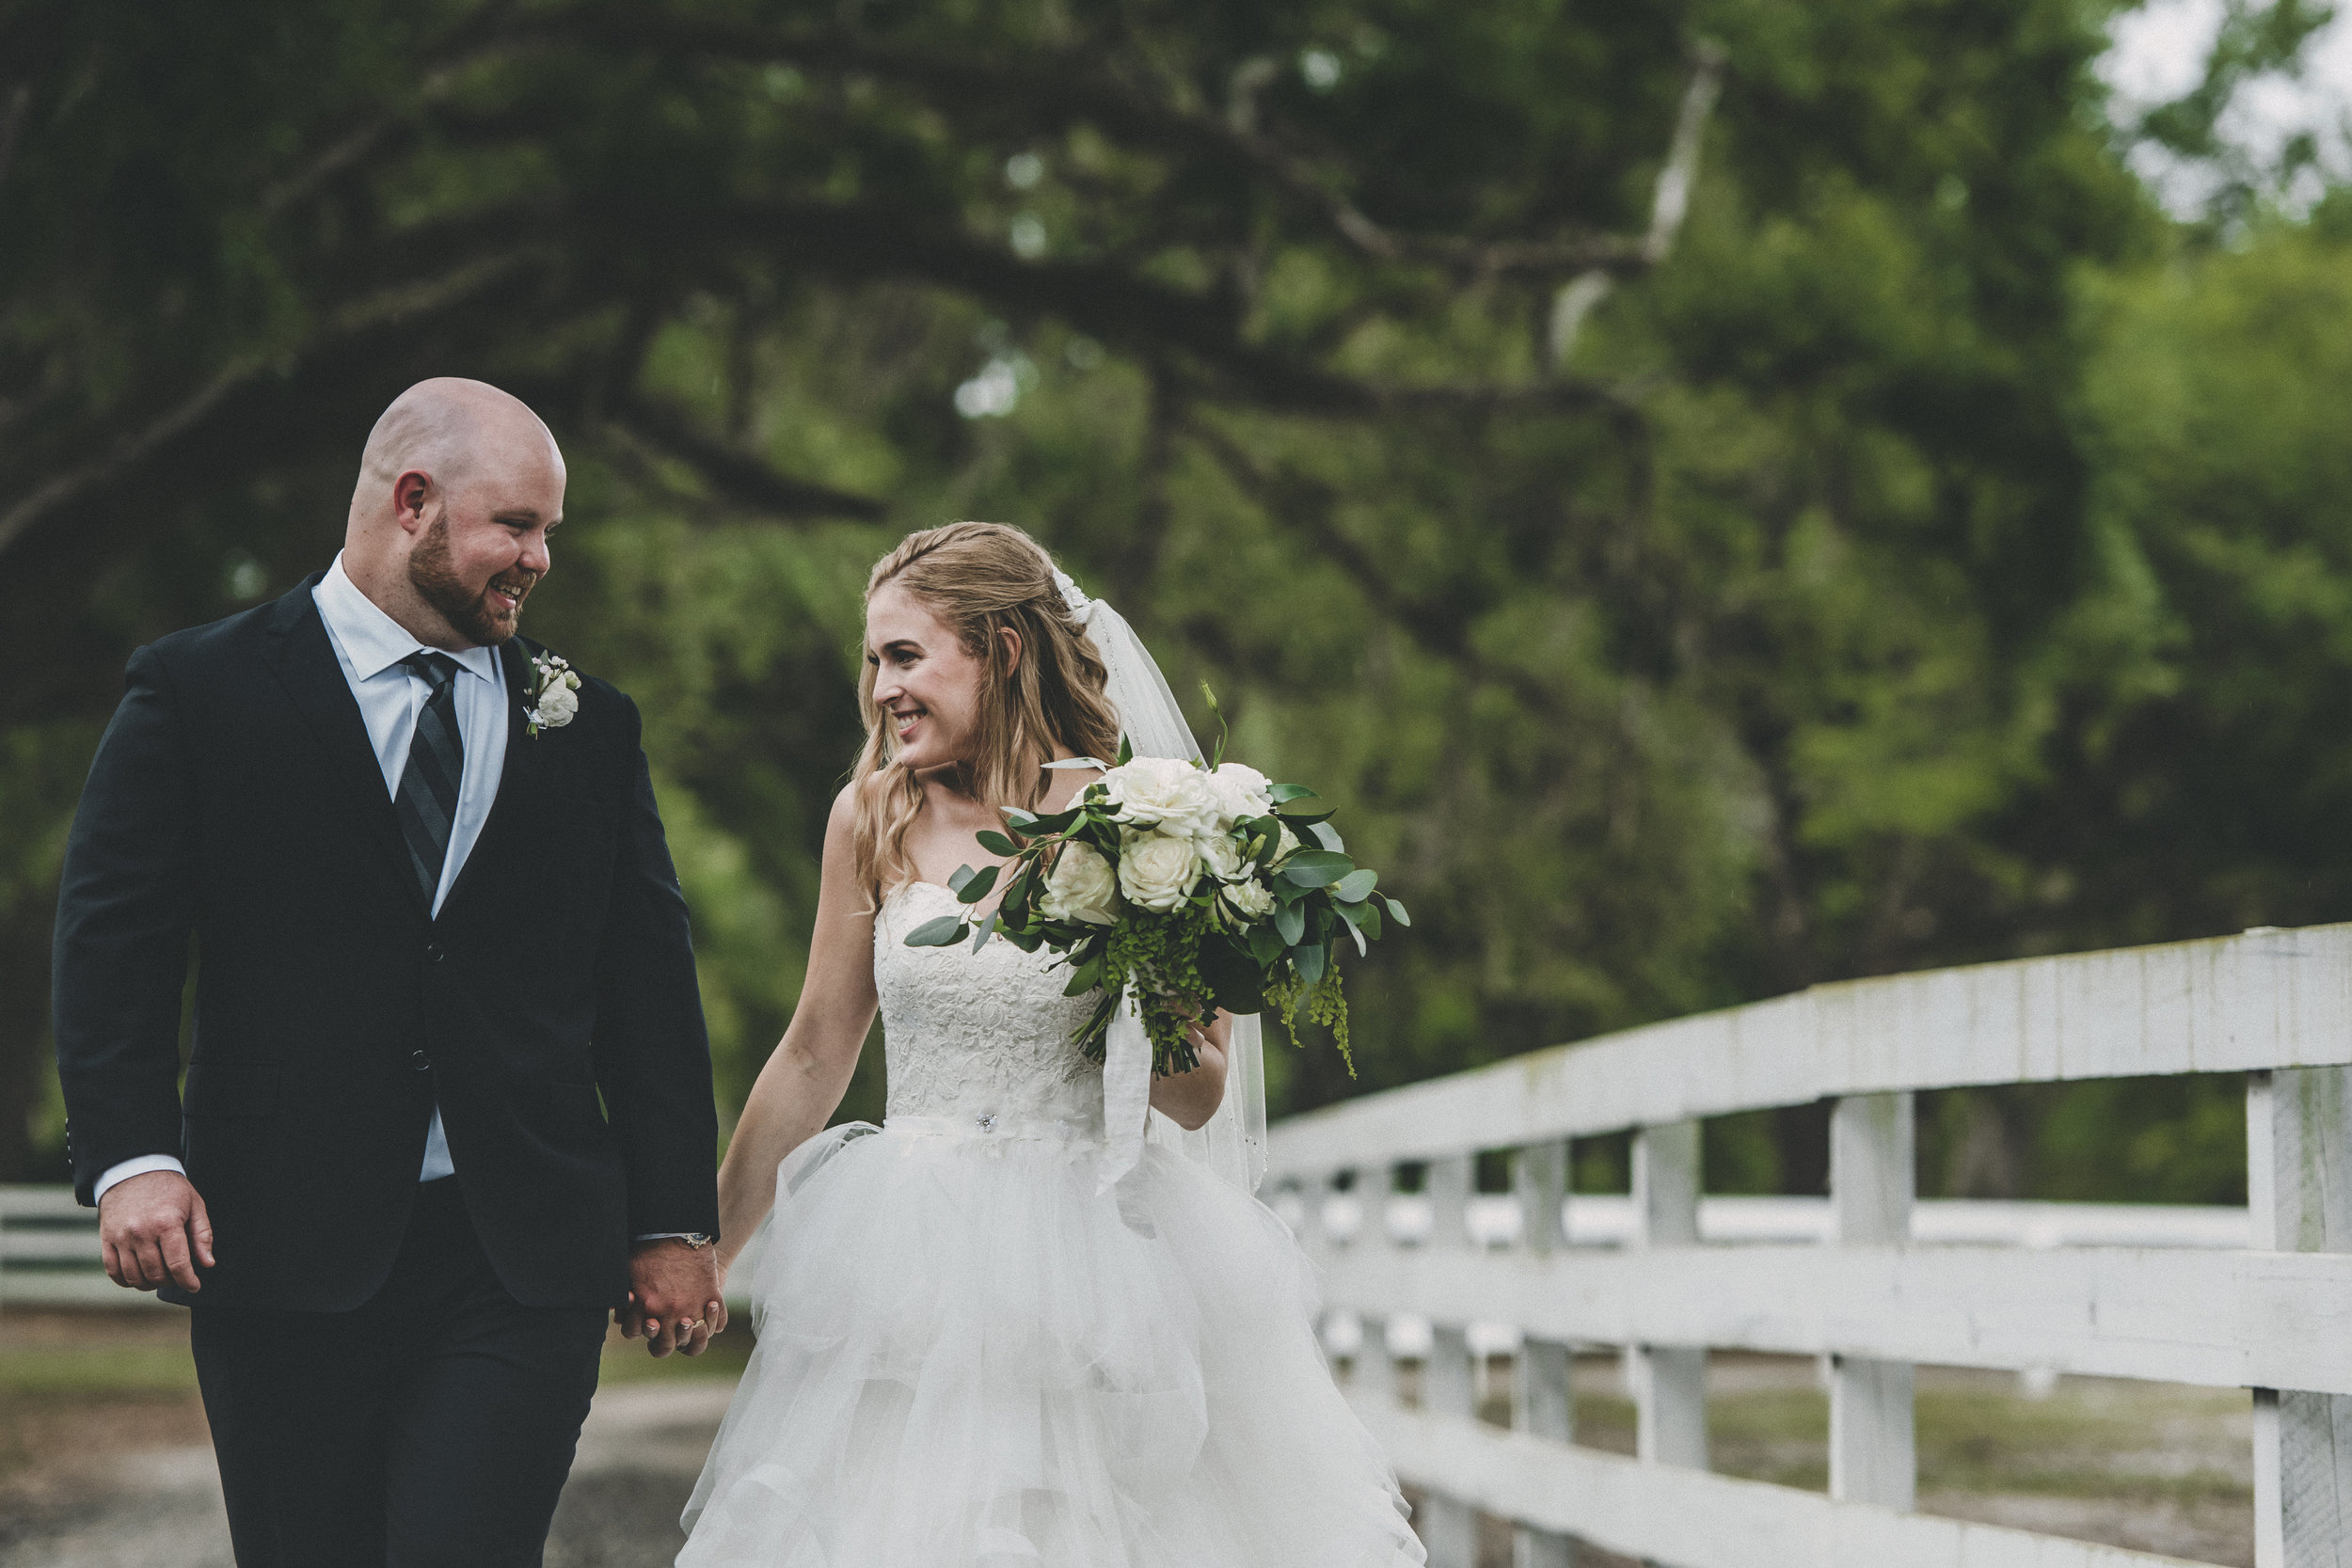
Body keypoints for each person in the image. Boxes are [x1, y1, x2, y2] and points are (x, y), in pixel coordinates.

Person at [51, 377, 725, 1567]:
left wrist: (672, 1218)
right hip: (278, 1238)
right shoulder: (196, 691)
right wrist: (134, 1159)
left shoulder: (587, 725)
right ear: (413, 502)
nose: (540, 559)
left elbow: (647, 987)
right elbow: (115, 945)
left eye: (549, 532)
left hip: (518, 1253)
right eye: (516, 526)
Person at [679, 521, 1423, 1567]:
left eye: (905, 656)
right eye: (872, 658)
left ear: (1002, 651)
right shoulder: (872, 816)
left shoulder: (1145, 821)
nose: (880, 686)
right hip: (913, 1261)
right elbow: (813, 1050)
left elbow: (1199, 1094)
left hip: (1099, 1264)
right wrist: (707, 1245)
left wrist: (1128, 940)